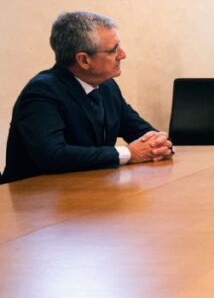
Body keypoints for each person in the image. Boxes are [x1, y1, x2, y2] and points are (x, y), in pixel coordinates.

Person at [2, 11, 173, 184]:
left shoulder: (107, 86)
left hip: (90, 191)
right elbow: (53, 156)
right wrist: (128, 153)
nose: (122, 55)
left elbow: (140, 131)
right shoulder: (43, 92)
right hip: (34, 199)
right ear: (84, 60)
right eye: (113, 50)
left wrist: (159, 143)